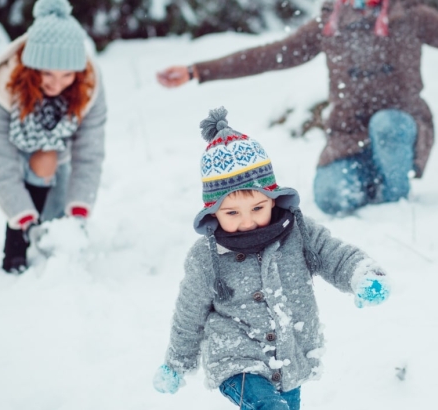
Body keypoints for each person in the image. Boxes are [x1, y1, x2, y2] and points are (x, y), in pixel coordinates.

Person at [156, 1, 438, 215]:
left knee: (388, 125)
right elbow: (269, 55)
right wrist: (198, 70)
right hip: (347, 137)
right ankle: (376, 183)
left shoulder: (410, 17)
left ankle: (394, 201)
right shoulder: (329, 24)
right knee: (329, 199)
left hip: (401, 125)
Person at [153, 107, 391, 410]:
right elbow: (189, 315)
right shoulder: (206, 258)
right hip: (235, 358)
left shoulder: (297, 233)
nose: (247, 221)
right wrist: (176, 363)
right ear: (213, 212)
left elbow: (335, 255)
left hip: (290, 353)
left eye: (257, 208)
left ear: (273, 198)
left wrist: (362, 275)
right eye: (231, 213)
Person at [0, 0, 107, 273]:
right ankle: (15, 247)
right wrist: (21, 214)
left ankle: (43, 222)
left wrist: (80, 207)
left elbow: (89, 152)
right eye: (47, 73)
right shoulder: (4, 83)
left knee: (56, 216)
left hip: (45, 136)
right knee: (41, 166)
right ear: (30, 67)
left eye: (67, 75)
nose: (57, 84)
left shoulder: (89, 86)